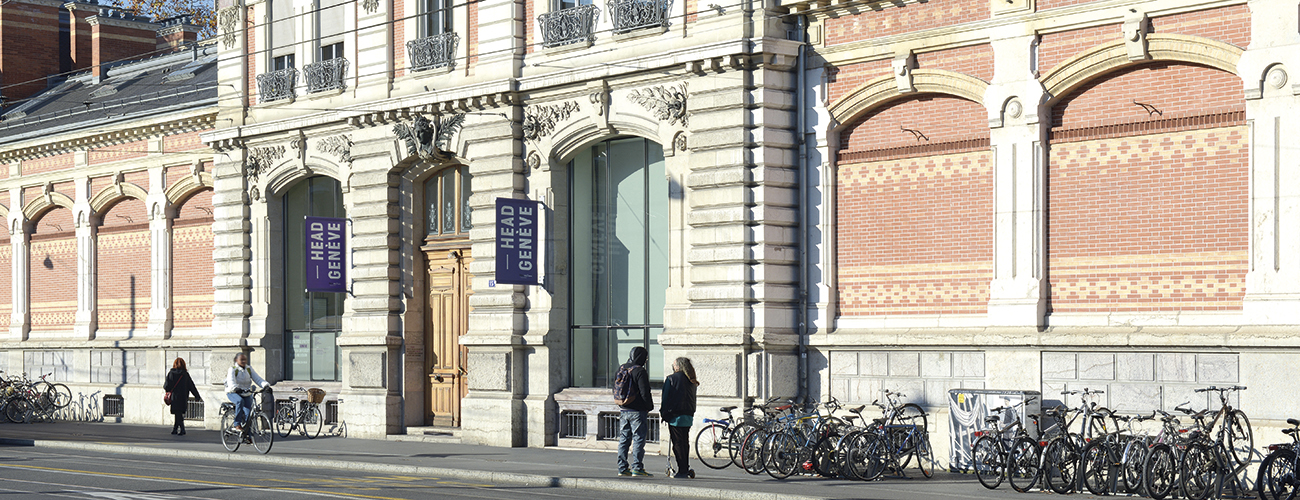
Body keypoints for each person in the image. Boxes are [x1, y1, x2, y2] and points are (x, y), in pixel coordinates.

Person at [616, 346, 654, 477]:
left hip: (624, 409)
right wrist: (649, 406)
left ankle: (622, 468)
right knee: (638, 438)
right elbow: (645, 391)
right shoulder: (639, 371)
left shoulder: (622, 368)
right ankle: (637, 467)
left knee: (624, 439)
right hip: (638, 411)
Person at [660, 357, 699, 478]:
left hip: (675, 415)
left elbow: (665, 397)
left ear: (678, 366)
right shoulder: (691, 380)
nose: (673, 366)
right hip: (688, 414)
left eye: (674, 365)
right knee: (684, 442)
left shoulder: (671, 379)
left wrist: (664, 413)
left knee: (677, 443)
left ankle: (682, 470)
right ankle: (685, 467)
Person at [224, 352, 268, 432]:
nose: (244, 361)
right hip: (233, 392)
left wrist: (266, 386)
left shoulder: (249, 369)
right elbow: (231, 380)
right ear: (236, 360)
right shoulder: (233, 369)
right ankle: (237, 423)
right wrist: (235, 388)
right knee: (239, 401)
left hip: (245, 392)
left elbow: (257, 379)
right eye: (241, 360)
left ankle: (248, 436)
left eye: (245, 359)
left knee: (249, 414)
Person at [163, 358, 203, 435]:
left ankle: (182, 429)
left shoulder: (171, 373)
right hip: (183, 397)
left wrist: (169, 390)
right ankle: (175, 429)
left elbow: (166, 386)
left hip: (174, 397)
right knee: (179, 412)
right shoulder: (185, 374)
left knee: (178, 413)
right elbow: (192, 386)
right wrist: (197, 396)